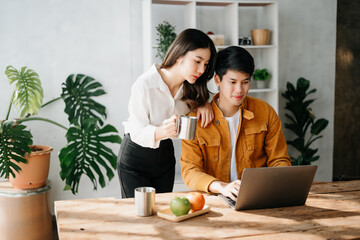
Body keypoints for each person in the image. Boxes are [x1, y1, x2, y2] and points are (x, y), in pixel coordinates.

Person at [180, 46, 291, 201]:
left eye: (245, 82)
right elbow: (190, 171)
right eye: (232, 82)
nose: (239, 90)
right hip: (215, 199)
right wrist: (222, 187)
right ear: (217, 80)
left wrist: (278, 183)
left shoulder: (265, 112)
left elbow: (279, 160)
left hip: (258, 197)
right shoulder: (196, 120)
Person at [118, 28, 217, 198]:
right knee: (140, 218)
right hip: (135, 160)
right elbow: (136, 130)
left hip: (165, 160)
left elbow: (197, 106)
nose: (201, 70)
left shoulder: (191, 89)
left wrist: (204, 104)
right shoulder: (144, 84)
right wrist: (160, 132)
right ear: (180, 56)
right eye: (197, 61)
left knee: (164, 213)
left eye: (206, 64)